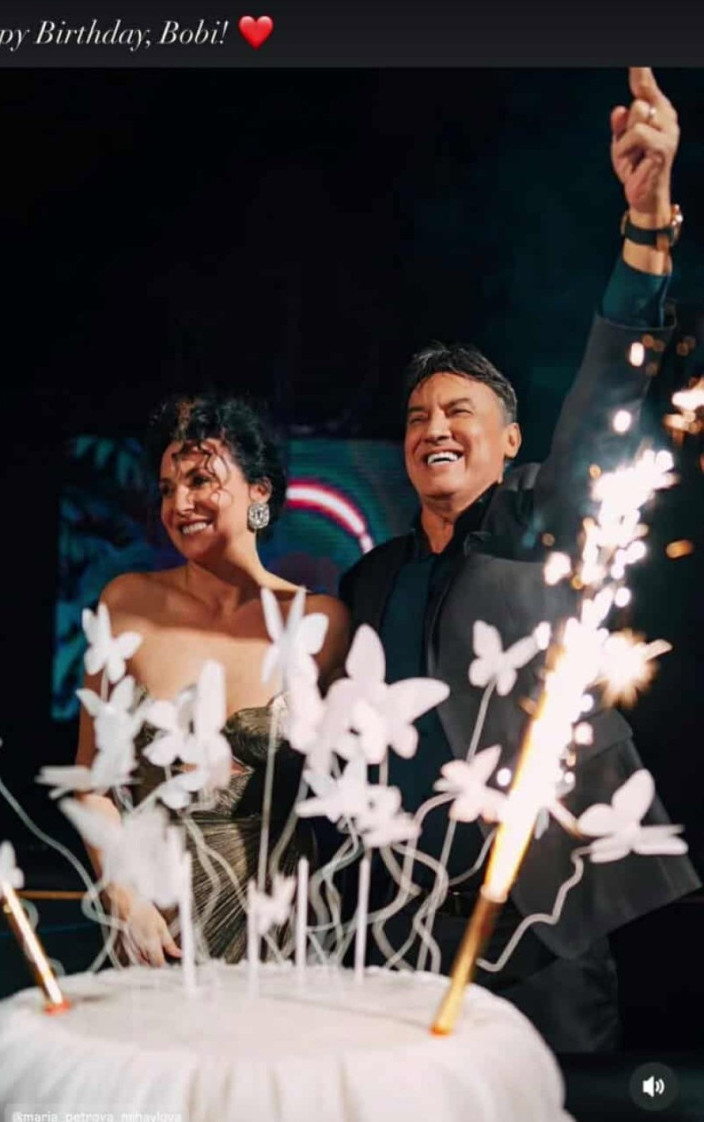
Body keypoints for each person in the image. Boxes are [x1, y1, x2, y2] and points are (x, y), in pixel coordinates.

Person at [338, 67, 700, 1052]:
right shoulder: (371, 578)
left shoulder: (546, 515)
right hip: (399, 922)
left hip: (543, 919)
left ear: (508, 444)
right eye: (418, 416)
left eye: (460, 412)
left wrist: (648, 224)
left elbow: (609, 387)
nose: (435, 428)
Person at [75, 393, 349, 965]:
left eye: (200, 480)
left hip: (279, 928)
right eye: (166, 488)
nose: (179, 504)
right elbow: (92, 787)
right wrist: (125, 900)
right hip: (156, 926)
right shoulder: (126, 605)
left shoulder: (322, 623)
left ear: (259, 491)